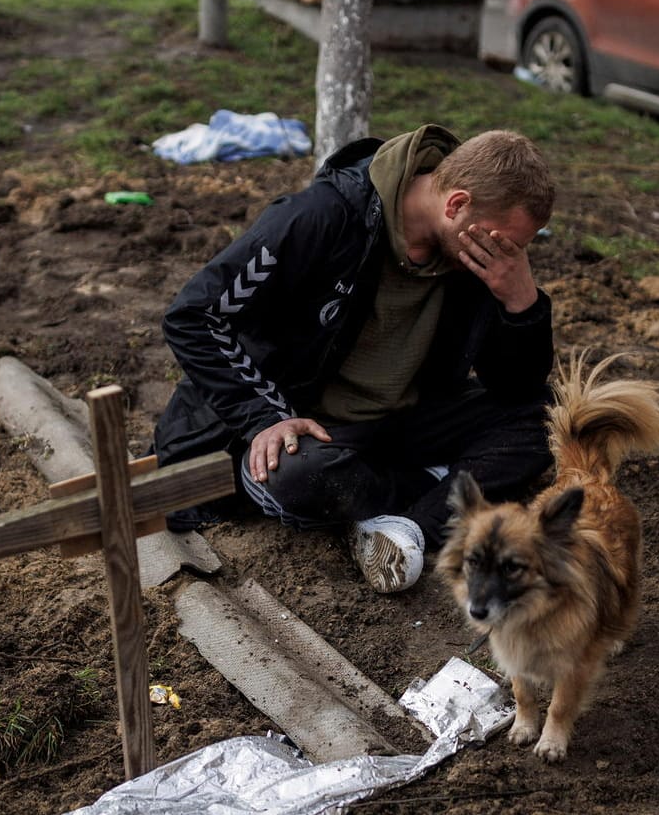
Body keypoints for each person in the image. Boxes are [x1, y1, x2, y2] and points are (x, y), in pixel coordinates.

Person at [151, 125, 557, 593]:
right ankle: (434, 489)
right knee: (299, 476)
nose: (511, 255)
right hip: (307, 429)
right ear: (456, 204)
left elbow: (516, 389)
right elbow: (193, 316)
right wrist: (263, 417)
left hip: (401, 423)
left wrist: (522, 304)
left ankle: (406, 528)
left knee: (549, 416)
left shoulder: (476, 257)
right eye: (506, 241)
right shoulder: (323, 218)